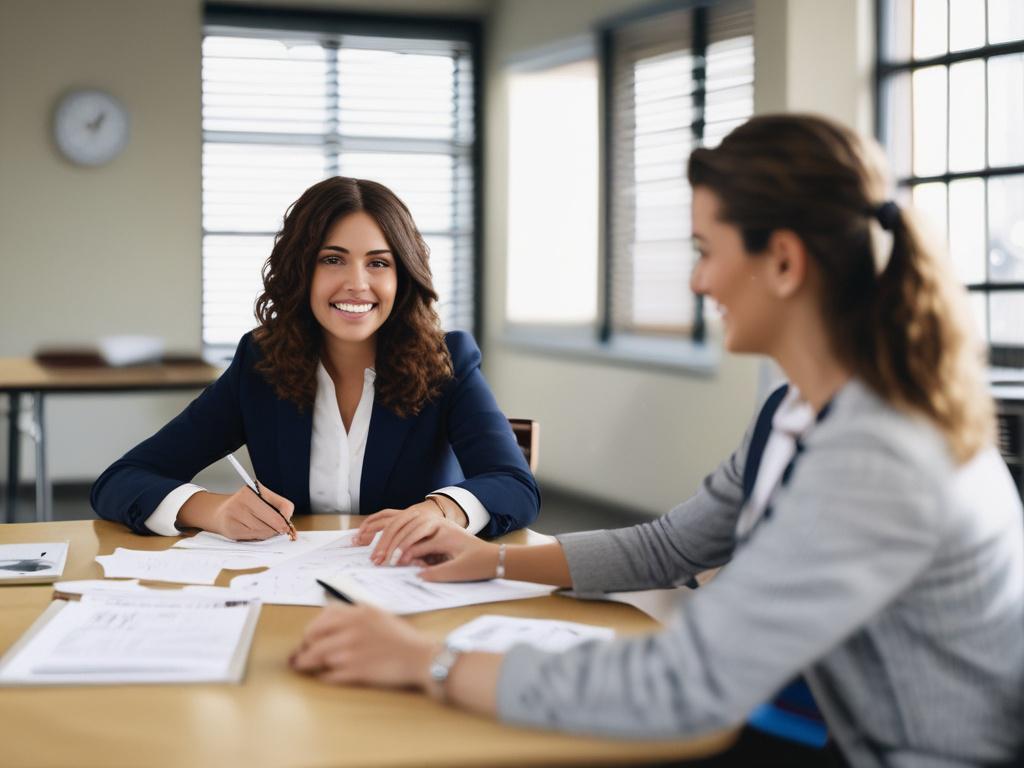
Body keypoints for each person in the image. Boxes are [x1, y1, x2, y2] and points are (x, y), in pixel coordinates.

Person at [288, 116, 1024, 767]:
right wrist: (497, 560)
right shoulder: (795, 413)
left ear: (786, 262)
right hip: (807, 720)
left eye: (707, 249)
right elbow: (670, 548)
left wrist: (430, 662)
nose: (699, 280)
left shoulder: (879, 452)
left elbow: (686, 684)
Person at [91, 177, 539, 554]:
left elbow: (514, 487)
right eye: (332, 259)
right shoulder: (260, 365)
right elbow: (121, 480)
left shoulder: (449, 361)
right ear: (300, 271)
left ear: (402, 276)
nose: (357, 284)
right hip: (288, 590)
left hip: (409, 595)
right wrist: (212, 509)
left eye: (378, 263)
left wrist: (438, 511)